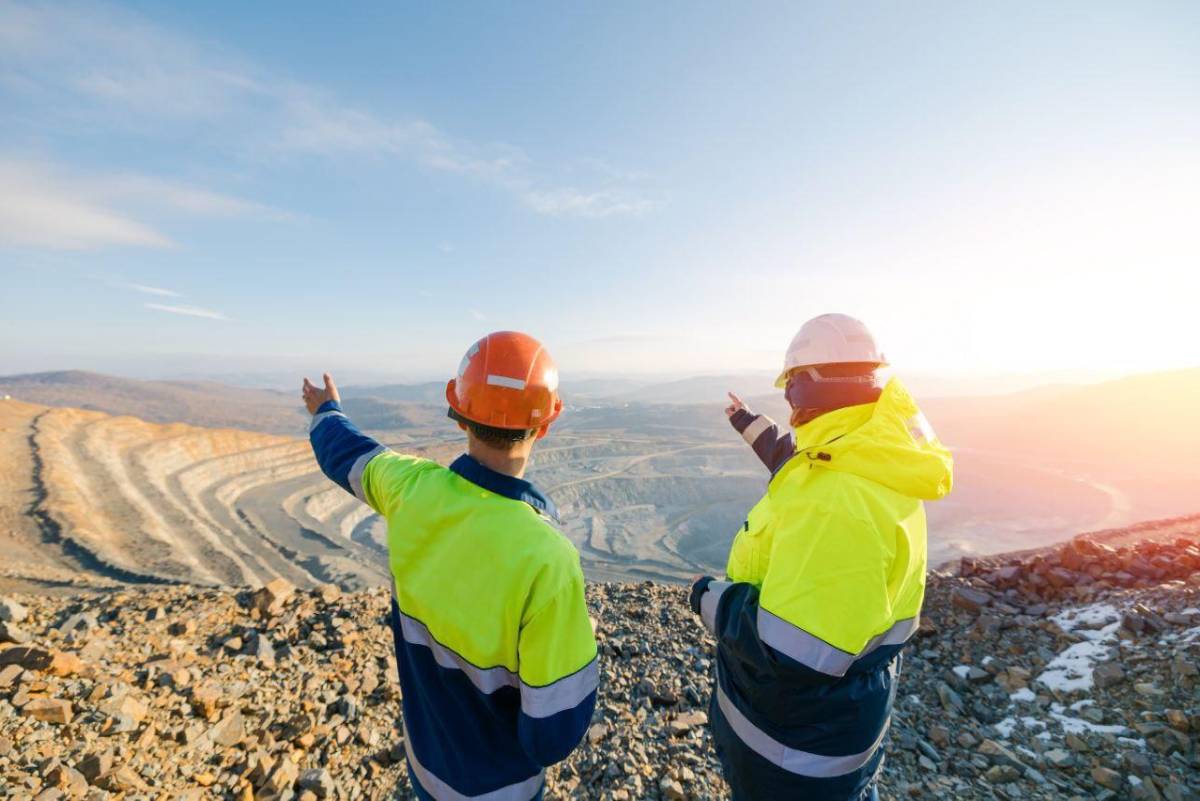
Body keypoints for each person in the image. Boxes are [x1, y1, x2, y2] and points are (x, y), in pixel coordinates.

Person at [303, 331, 598, 801]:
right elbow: (551, 736)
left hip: (426, 768)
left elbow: (348, 454)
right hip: (503, 791)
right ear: (546, 423)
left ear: (458, 411)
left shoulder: (411, 488)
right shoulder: (549, 561)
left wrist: (326, 410)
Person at [688, 313, 953, 800]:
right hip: (828, 731)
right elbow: (801, 463)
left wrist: (710, 598)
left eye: (791, 386)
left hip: (793, 759)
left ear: (807, 385)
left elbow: (790, 651)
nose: (789, 402)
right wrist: (750, 424)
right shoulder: (869, 456)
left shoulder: (839, 505)